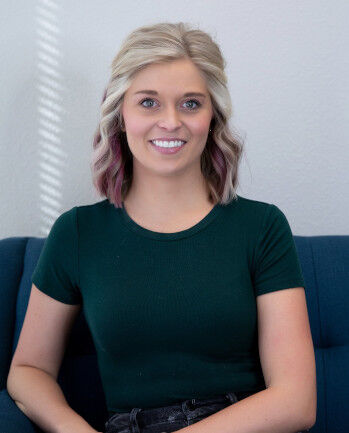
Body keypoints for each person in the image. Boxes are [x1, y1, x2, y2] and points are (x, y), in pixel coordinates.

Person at [7, 22, 316, 433]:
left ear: (213, 116)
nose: (170, 122)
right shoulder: (78, 233)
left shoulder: (261, 227)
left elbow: (296, 400)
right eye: (148, 103)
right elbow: (28, 370)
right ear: (121, 114)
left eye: (190, 104)